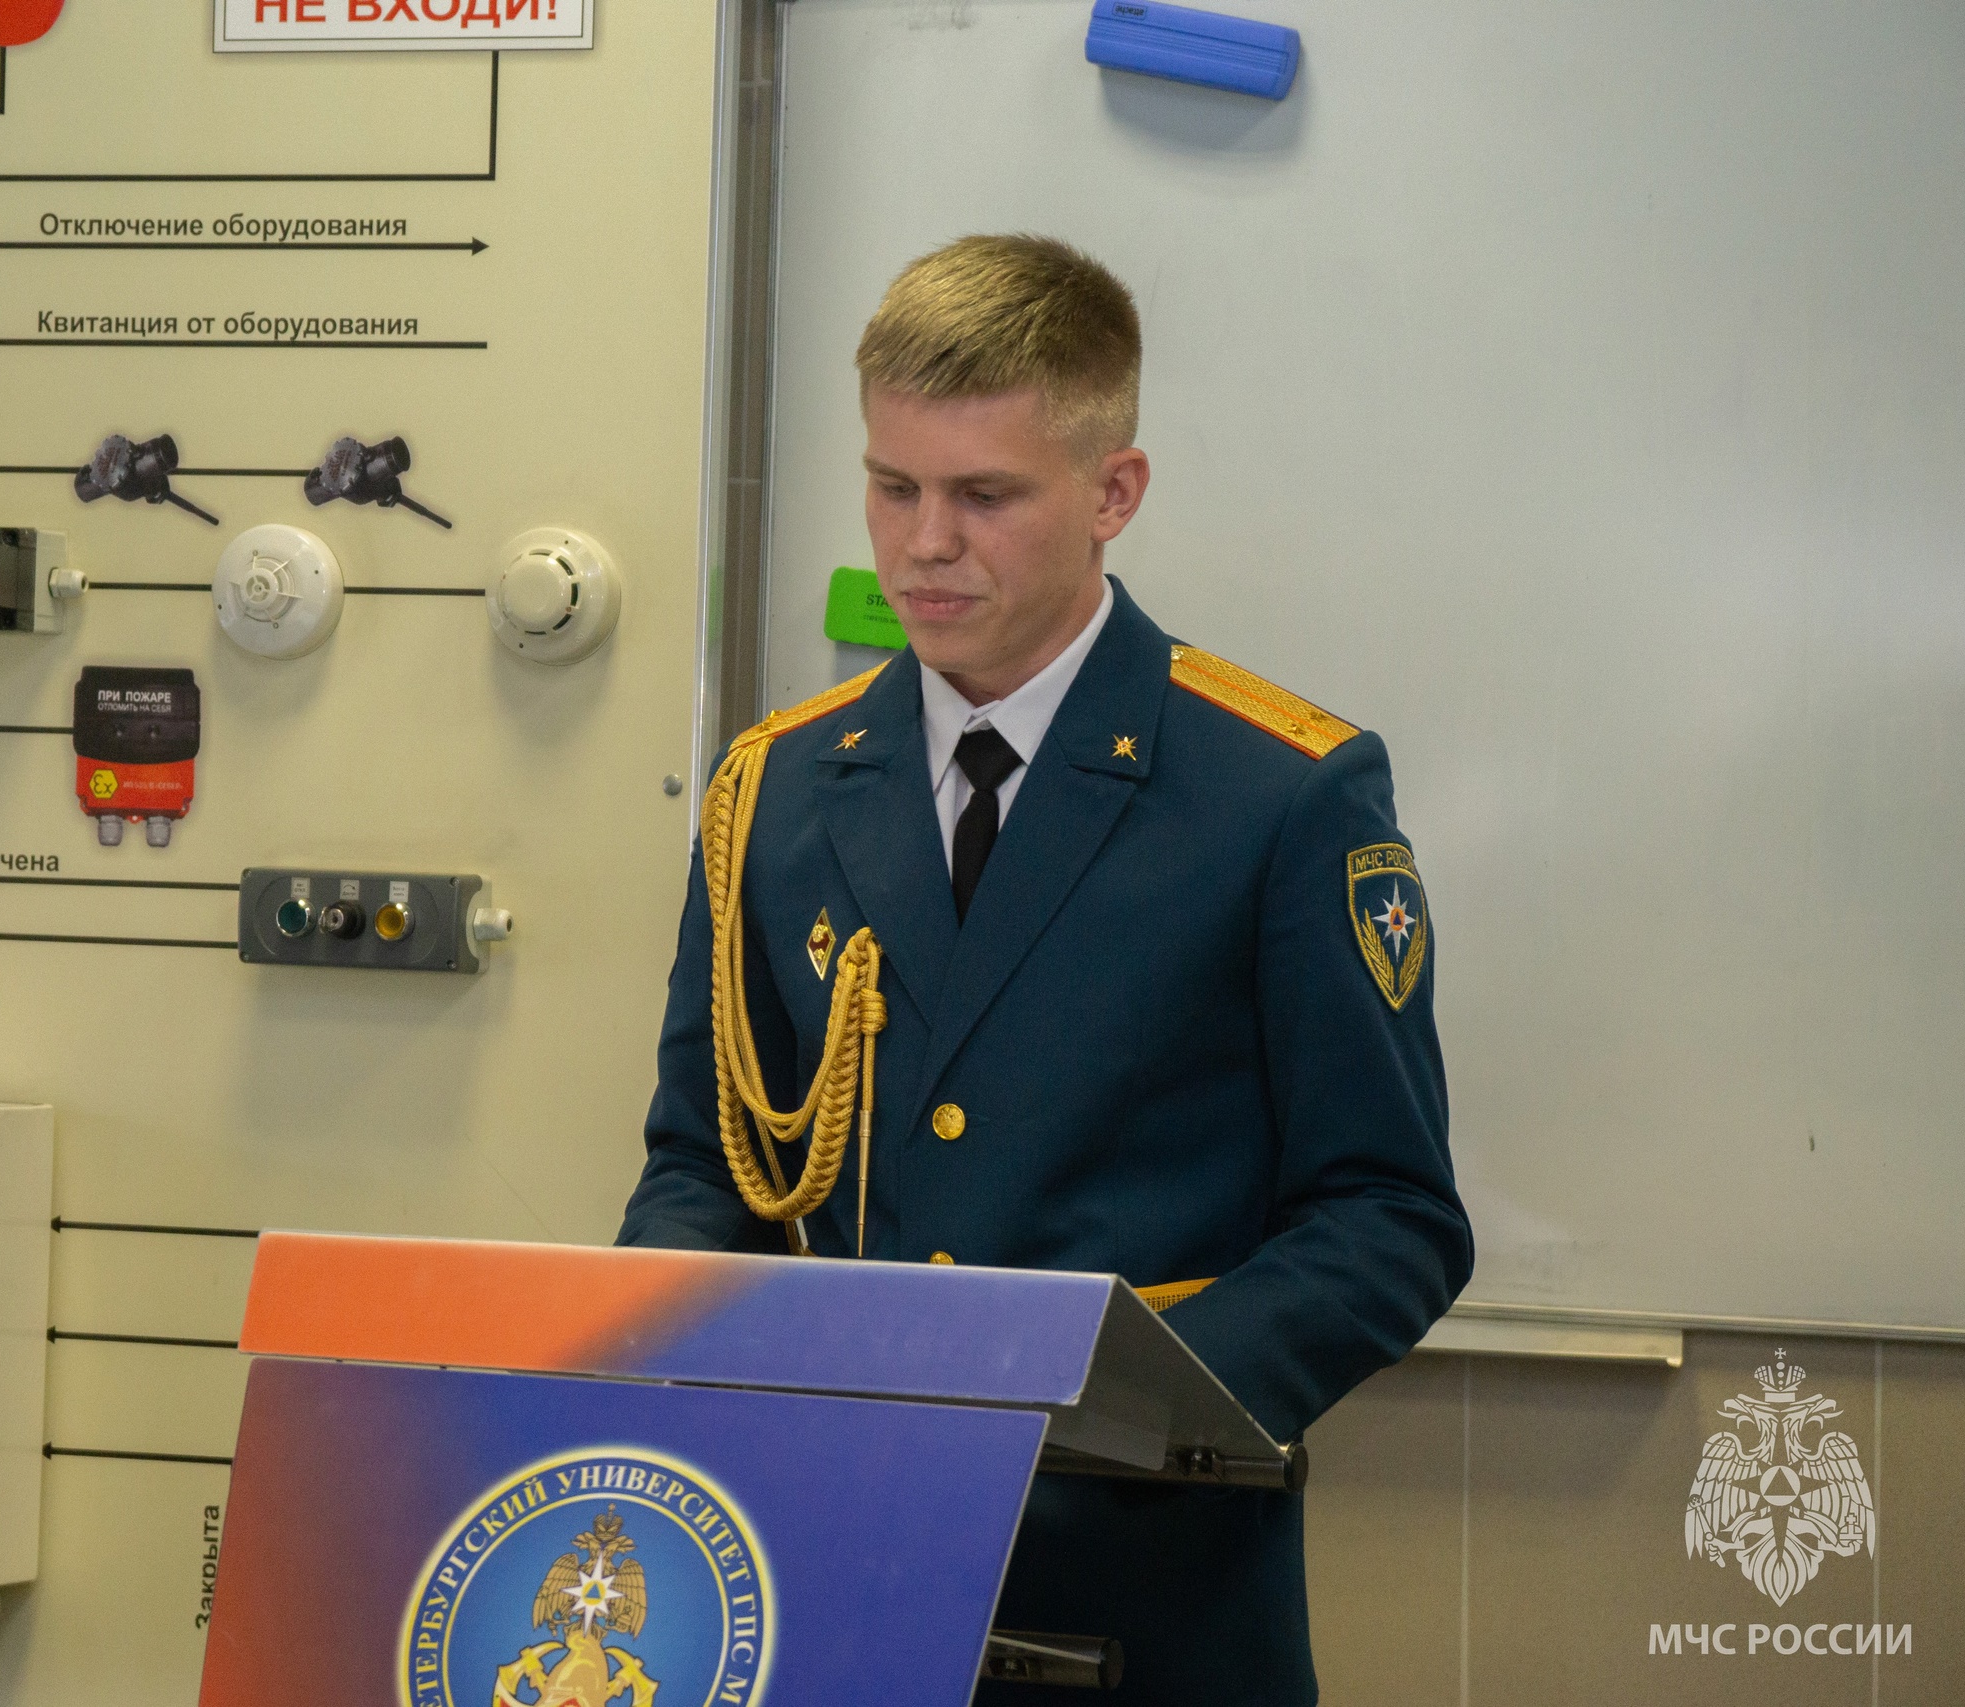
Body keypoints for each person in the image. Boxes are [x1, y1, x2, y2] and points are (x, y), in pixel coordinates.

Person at [617, 234, 1473, 1703]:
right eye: (893, 486)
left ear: (1113, 493)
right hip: (826, 1556)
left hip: (1143, 1587)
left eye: (985, 496)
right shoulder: (775, 789)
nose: (923, 544)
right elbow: (707, 1160)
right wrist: (665, 1380)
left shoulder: (1280, 793)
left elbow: (1389, 1218)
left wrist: (1101, 1414)